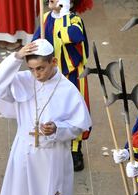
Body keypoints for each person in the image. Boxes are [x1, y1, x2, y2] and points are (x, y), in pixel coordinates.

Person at [0, 39, 92, 195]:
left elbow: (78, 125)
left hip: (53, 156)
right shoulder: (23, 81)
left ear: (53, 62)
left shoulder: (68, 89)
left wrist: (57, 129)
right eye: (31, 69)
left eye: (41, 68)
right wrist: (16, 57)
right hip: (24, 151)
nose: (36, 74)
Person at [32, 0, 93, 171]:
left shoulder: (74, 20)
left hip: (71, 73)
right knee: (54, 108)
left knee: (73, 110)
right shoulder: (45, 18)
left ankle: (75, 149)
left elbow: (70, 37)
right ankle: (54, 140)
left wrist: (65, 13)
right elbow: (36, 41)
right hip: (52, 73)